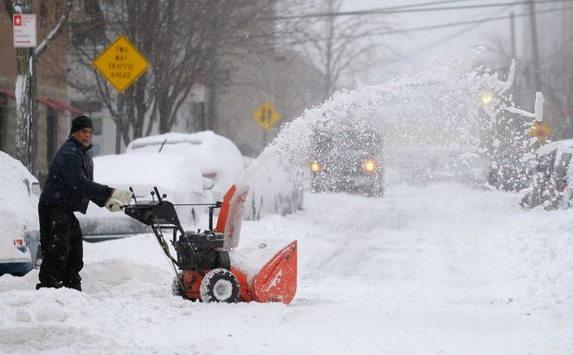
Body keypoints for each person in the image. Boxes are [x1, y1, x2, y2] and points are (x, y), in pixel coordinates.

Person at [36, 115, 133, 291]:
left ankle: (72, 288)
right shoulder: (69, 154)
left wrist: (106, 202)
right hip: (53, 208)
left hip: (64, 210)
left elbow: (85, 188)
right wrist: (111, 192)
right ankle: (49, 289)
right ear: (74, 132)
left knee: (74, 253)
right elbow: (79, 182)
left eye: (90, 132)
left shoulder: (84, 154)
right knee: (57, 252)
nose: (87, 135)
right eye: (83, 131)